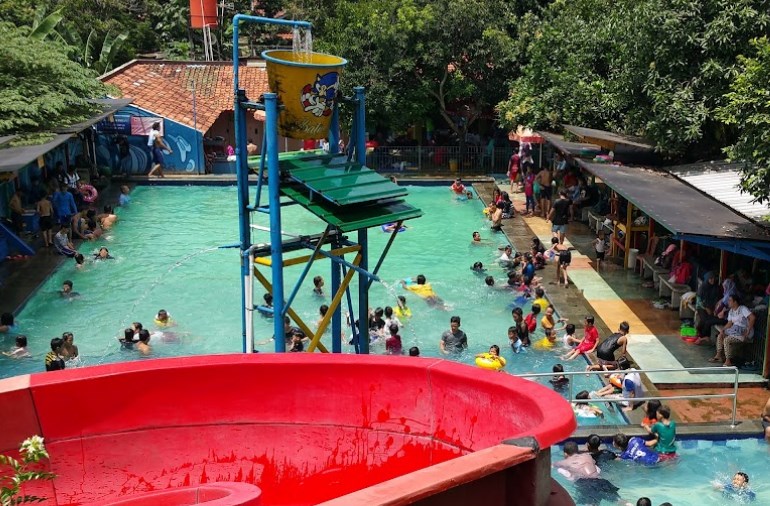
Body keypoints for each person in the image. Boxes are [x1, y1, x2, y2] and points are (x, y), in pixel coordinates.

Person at [710, 294, 756, 366]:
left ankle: (728, 361)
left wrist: (748, 330)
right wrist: (723, 330)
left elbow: (752, 318)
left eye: (730, 300)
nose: (728, 302)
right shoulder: (731, 311)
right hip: (735, 330)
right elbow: (729, 323)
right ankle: (718, 355)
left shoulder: (742, 309)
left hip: (744, 332)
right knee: (720, 335)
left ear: (735, 302)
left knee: (726, 340)